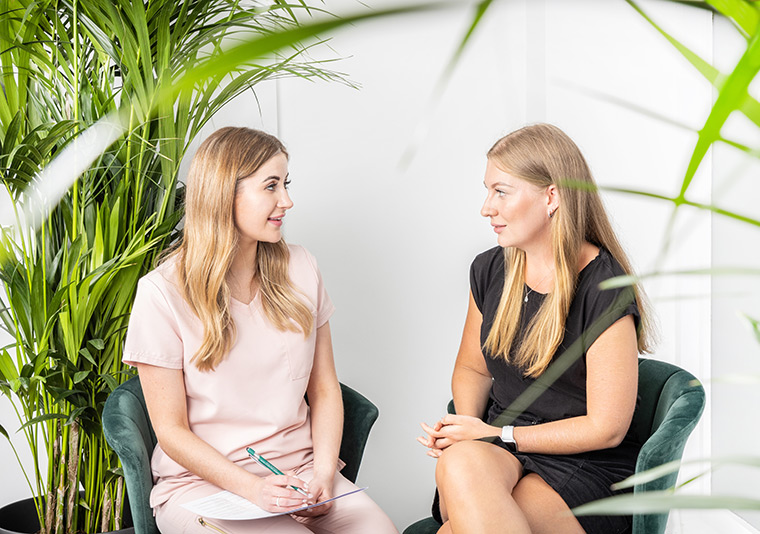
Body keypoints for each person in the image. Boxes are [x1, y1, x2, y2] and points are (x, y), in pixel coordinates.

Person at [123, 127, 398, 533]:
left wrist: (323, 474)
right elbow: (171, 431)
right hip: (205, 487)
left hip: (303, 476)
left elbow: (324, 389)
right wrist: (254, 489)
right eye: (271, 186)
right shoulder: (162, 292)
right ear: (223, 193)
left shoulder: (302, 267)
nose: (286, 201)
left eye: (285, 184)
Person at [417, 124, 654, 534]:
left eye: (501, 191)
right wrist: (467, 431)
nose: (486, 207)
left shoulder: (605, 289)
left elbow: (606, 428)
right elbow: (473, 369)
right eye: (487, 190)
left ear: (552, 197)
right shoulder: (491, 269)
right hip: (501, 444)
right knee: (460, 462)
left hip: (584, 465)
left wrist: (496, 433)